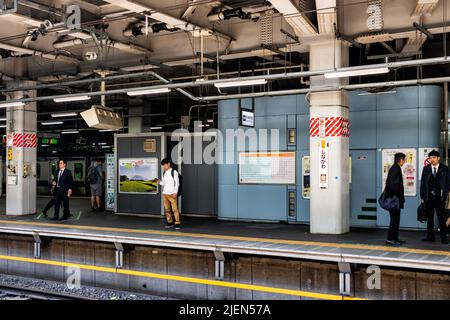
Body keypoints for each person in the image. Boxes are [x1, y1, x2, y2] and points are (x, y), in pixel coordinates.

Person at [420, 150, 449, 244]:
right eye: (430, 158)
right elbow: (423, 183)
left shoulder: (445, 168)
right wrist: (422, 196)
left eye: (434, 158)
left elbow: (448, 182)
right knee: (430, 218)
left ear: (438, 158)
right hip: (428, 197)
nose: (432, 159)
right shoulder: (426, 168)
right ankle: (430, 236)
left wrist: (445, 193)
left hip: (440, 197)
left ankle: (444, 238)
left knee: (441, 217)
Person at [384, 153, 406, 246]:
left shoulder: (395, 168)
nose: (404, 161)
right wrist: (397, 196)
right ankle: (390, 239)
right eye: (404, 159)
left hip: (395, 199)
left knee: (396, 220)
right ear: (400, 160)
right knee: (394, 220)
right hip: (394, 199)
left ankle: (395, 238)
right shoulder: (395, 169)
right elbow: (393, 184)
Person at [156, 158, 181, 230]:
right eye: (163, 165)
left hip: (172, 194)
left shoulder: (174, 172)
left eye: (165, 165)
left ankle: (177, 223)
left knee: (175, 209)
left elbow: (177, 183)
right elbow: (164, 183)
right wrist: (159, 182)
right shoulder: (164, 173)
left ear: (169, 164)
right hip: (165, 194)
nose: (164, 166)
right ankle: (170, 222)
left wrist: (175, 192)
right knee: (167, 209)